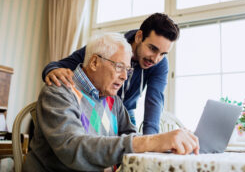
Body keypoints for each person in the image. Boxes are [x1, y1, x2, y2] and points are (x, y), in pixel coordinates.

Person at [23, 33, 199, 172]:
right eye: (119, 67)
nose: (124, 76)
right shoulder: (59, 91)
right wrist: (151, 142)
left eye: (127, 70)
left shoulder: (112, 100)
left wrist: (164, 145)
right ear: (93, 62)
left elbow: (133, 135)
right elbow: (73, 149)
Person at [42, 13, 179, 135]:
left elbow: (154, 100)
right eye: (152, 48)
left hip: (124, 111)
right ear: (139, 37)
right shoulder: (110, 47)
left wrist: (150, 140)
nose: (155, 59)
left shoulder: (160, 63)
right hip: (97, 104)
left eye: (163, 54)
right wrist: (52, 70)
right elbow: (60, 65)